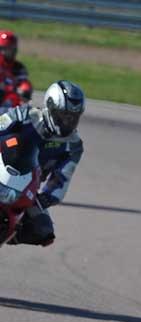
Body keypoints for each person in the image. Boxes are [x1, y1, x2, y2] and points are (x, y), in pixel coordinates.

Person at [0, 80, 86, 246]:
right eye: (64, 115)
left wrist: (47, 197)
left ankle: (8, 237)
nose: (68, 122)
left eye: (73, 117)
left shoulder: (73, 146)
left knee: (43, 231)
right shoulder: (23, 115)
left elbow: (62, 178)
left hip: (27, 189)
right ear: (50, 107)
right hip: (1, 169)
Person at [0, 30, 33, 110]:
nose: (11, 52)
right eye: (7, 49)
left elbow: (24, 83)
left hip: (8, 106)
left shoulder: (18, 67)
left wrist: (25, 90)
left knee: (15, 99)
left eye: (12, 49)